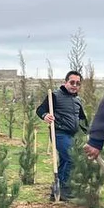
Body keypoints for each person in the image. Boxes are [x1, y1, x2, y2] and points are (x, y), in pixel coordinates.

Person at [36, 71, 88, 200]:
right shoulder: (55, 96)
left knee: (65, 161)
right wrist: (45, 115)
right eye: (72, 82)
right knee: (71, 157)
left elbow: (82, 119)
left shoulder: (77, 100)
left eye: (78, 83)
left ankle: (56, 191)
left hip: (72, 135)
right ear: (65, 82)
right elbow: (40, 110)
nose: (74, 85)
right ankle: (64, 189)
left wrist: (89, 133)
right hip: (59, 133)